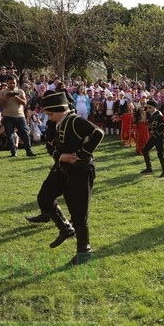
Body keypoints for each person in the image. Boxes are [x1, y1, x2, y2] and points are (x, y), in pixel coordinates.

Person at [26, 91, 104, 266]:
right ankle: (65, 228)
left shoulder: (75, 121)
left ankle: (84, 251)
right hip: (61, 168)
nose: (50, 118)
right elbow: (49, 145)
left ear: (60, 110)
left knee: (79, 213)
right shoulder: (56, 123)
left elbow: (98, 133)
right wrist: (60, 156)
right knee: (44, 198)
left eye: (51, 114)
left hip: (81, 171)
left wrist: (83, 153)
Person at [0, 75, 36, 157]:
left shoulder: (20, 91)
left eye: (14, 83)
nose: (12, 85)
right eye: (10, 83)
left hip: (20, 116)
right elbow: (0, 104)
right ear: (7, 83)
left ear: (16, 83)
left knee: (25, 134)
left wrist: (15, 96)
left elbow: (24, 103)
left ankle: (29, 151)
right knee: (10, 135)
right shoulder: (2, 92)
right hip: (8, 116)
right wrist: (7, 98)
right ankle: (13, 152)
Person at [141, 99, 164, 177]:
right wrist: (150, 131)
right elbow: (150, 125)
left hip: (159, 137)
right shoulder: (152, 115)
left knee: (160, 154)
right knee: (145, 150)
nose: (148, 109)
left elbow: (163, 126)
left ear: (154, 107)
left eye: (150, 108)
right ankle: (149, 168)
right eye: (148, 108)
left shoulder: (159, 115)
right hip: (154, 137)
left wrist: (155, 133)